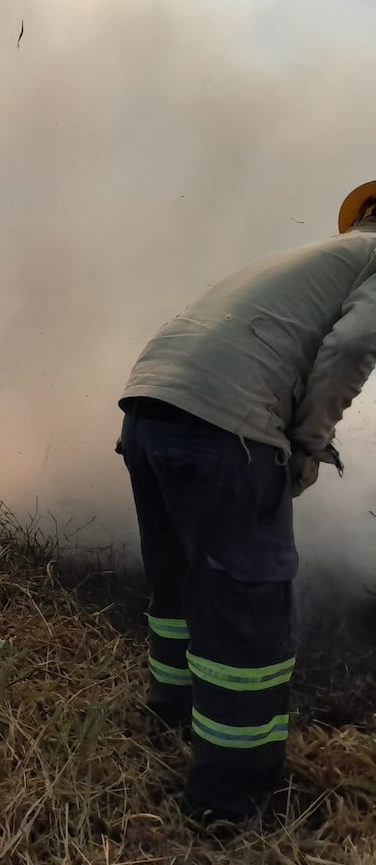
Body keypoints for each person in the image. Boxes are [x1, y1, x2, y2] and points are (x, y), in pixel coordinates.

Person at [117, 180, 376, 826]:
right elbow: (350, 348)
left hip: (148, 411)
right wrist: (309, 444)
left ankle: (170, 716)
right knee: (248, 616)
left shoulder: (312, 260)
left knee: (177, 586)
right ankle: (229, 801)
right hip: (225, 428)